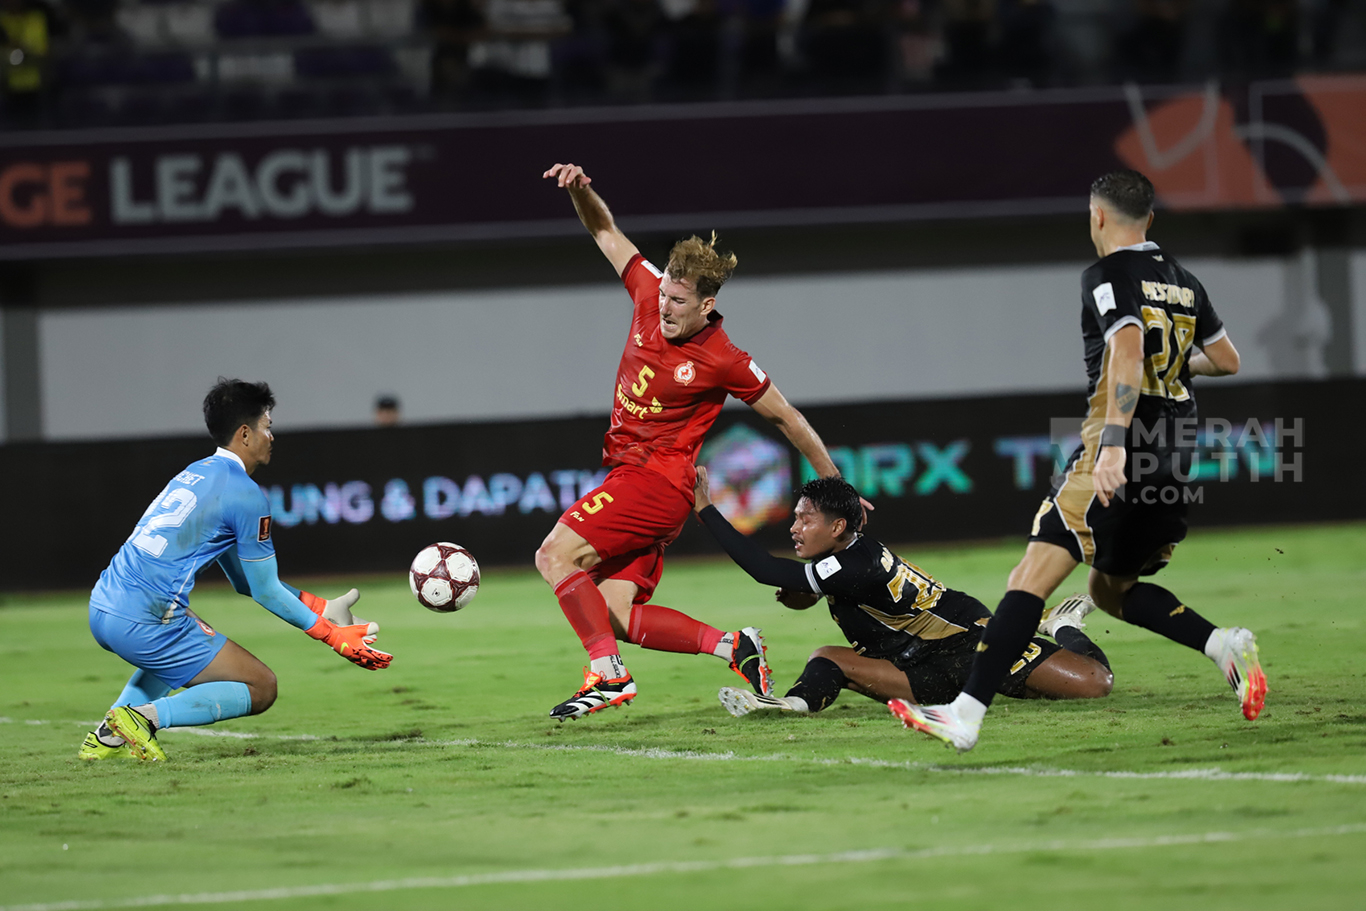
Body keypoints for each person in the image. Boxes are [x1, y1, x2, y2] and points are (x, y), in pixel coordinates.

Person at [891, 169, 1265, 753]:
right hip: (1177, 453)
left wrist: (1113, 440)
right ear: (1150, 218)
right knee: (1112, 589)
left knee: (1029, 579)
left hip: (1119, 448)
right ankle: (1223, 644)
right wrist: (1170, 373)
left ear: (1096, 216)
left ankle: (964, 714)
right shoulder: (1185, 282)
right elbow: (1227, 360)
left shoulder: (1107, 274)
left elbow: (1127, 346)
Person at [537, 162, 866, 720]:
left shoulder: (722, 359)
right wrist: (582, 190)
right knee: (613, 611)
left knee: (554, 555)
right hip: (630, 477)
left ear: (706, 306)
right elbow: (606, 232)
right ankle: (734, 646)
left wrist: (838, 488)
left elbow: (787, 418)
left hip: (657, 482)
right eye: (665, 293)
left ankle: (607, 674)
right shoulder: (647, 293)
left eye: (679, 302)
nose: (665, 307)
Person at [79, 379, 392, 762]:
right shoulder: (246, 495)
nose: (271, 436)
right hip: (146, 618)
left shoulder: (196, 472)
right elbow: (265, 590)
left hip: (104, 606)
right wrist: (332, 635)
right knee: (261, 686)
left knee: (177, 661)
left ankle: (105, 738)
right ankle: (140, 719)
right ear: (245, 433)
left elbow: (244, 581)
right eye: (267, 426)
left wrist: (321, 606)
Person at [695, 472, 1112, 717]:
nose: (794, 528)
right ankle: (787, 707)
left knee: (1095, 683)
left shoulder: (856, 563)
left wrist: (705, 507)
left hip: (971, 643)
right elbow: (813, 591)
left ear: (838, 528)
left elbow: (762, 569)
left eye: (806, 519)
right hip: (919, 669)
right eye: (796, 518)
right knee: (827, 657)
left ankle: (1063, 625)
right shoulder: (844, 558)